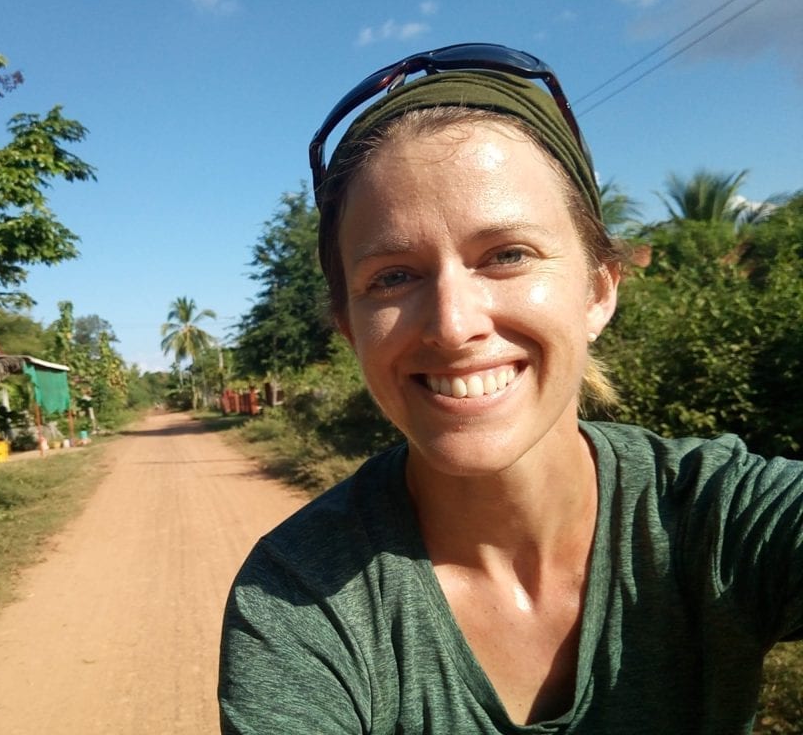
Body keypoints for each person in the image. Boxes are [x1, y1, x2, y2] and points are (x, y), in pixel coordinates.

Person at [218, 43, 803, 734]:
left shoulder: (718, 516)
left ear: (598, 288)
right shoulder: (300, 596)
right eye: (394, 276)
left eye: (507, 255)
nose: (453, 325)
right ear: (349, 327)